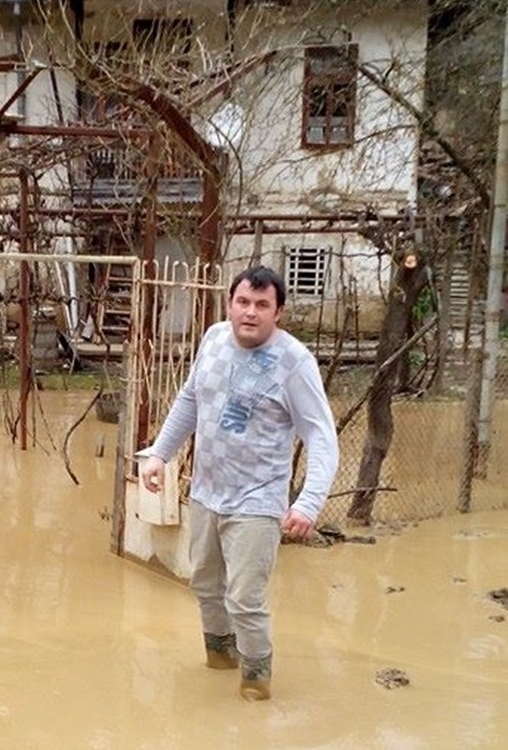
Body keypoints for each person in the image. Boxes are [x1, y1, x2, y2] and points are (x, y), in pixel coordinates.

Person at [139, 265, 339, 701]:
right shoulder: (213, 340)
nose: (250, 313)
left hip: (257, 501)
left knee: (244, 599)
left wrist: (308, 503)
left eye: (262, 305)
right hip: (207, 492)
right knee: (205, 586)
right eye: (243, 302)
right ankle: (219, 658)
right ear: (230, 304)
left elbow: (321, 435)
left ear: (278, 312)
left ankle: (255, 682)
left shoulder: (294, 363)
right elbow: (190, 399)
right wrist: (160, 453)